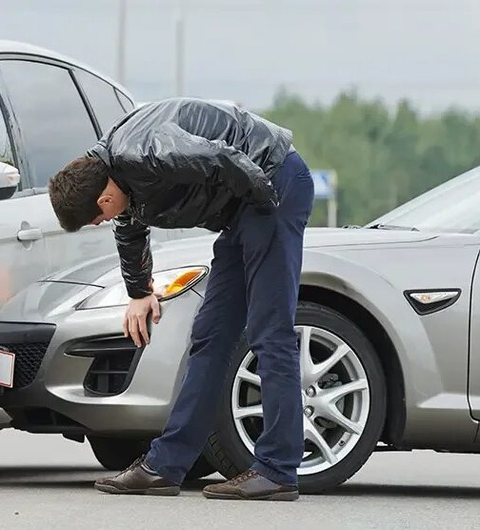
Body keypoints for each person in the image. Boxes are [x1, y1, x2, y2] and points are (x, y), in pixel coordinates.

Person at [48, 97, 314, 501]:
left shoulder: (148, 152)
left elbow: (224, 158)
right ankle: (165, 466)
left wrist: (266, 214)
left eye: (96, 219)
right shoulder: (113, 172)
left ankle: (278, 469)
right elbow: (130, 227)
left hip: (270, 186)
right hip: (244, 209)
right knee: (210, 335)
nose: (103, 222)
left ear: (102, 199)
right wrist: (138, 292)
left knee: (269, 330)